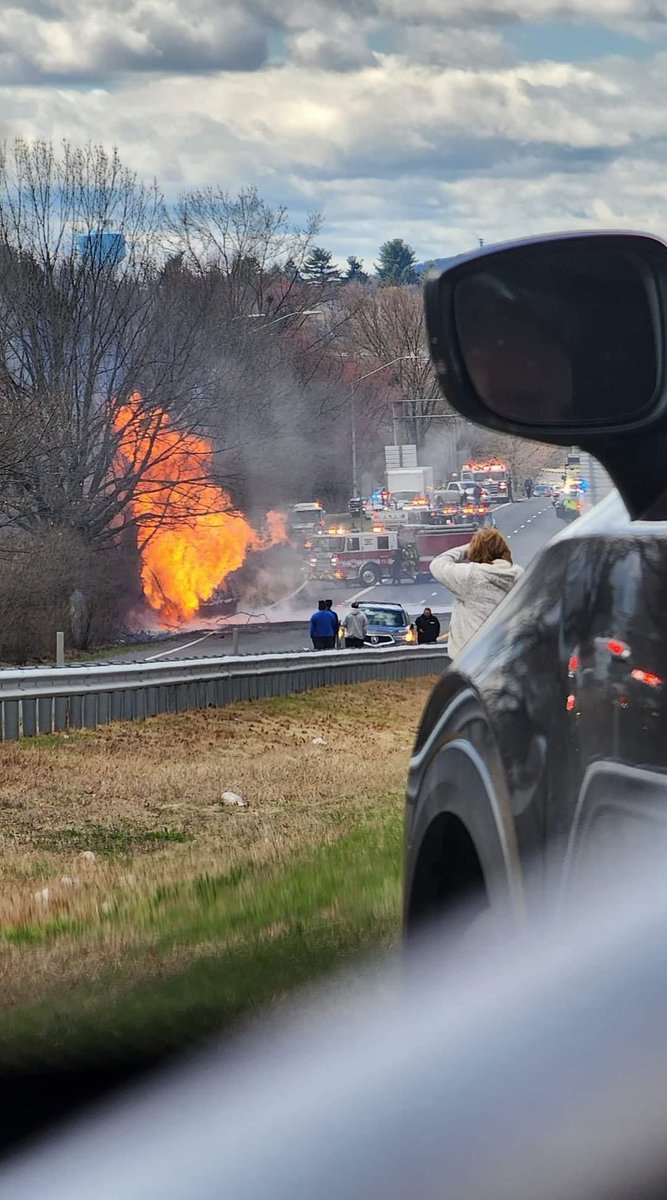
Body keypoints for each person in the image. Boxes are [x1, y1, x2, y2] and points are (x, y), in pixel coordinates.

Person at [430, 527, 523, 659]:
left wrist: (468, 548)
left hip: (471, 661)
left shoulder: (470, 576)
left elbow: (438, 564)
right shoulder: (518, 575)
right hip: (506, 655)